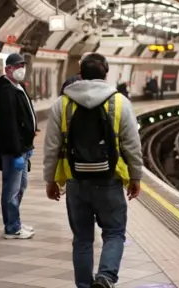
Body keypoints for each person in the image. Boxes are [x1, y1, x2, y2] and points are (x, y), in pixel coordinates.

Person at [43, 53, 143, 288]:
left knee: (82, 239)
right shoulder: (120, 103)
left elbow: (51, 147)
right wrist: (135, 177)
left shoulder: (62, 103)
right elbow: (132, 145)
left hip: (76, 180)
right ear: (106, 72)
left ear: (80, 73)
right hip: (109, 179)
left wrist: (51, 180)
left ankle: (84, 286)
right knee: (114, 233)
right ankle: (106, 277)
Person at [0, 52, 37, 239]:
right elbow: (9, 124)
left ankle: (15, 220)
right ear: (7, 69)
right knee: (11, 189)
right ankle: (11, 227)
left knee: (21, 186)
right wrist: (16, 152)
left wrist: (29, 144)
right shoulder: (5, 91)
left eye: (22, 66)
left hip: (23, 148)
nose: (21, 69)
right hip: (14, 151)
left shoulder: (18, 87)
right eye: (17, 66)